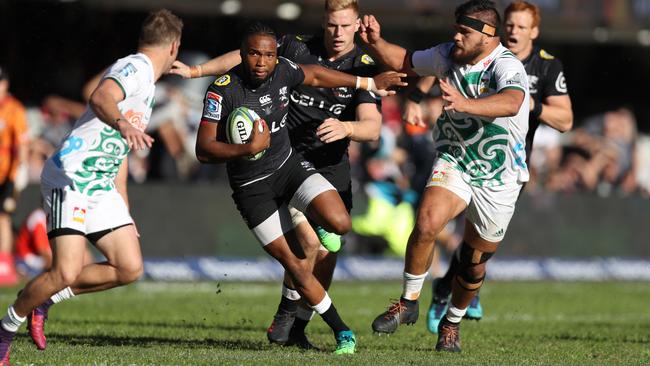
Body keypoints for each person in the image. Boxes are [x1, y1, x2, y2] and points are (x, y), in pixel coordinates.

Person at [172, 0, 387, 349]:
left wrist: (360, 101)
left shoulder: (346, 65)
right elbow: (203, 149)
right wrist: (199, 74)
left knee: (338, 228)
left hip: (303, 165)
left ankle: (293, 313)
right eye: (333, 24)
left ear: (357, 25)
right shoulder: (238, 80)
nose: (338, 32)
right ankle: (325, 327)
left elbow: (369, 124)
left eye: (346, 26)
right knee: (303, 255)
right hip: (257, 182)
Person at [0, 9, 183, 363]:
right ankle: (7, 326)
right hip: (72, 174)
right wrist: (124, 125)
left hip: (100, 183)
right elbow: (100, 97)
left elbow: (119, 151)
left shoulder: (145, 80)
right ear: (174, 46)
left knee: (129, 267)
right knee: (65, 270)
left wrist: (124, 209)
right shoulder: (138, 68)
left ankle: (46, 299)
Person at [359, 0, 529, 352]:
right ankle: (408, 302)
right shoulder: (447, 54)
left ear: (487, 34)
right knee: (426, 222)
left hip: (499, 176)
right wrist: (376, 42)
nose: (456, 36)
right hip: (456, 160)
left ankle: (451, 324)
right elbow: (406, 60)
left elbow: (512, 102)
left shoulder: (506, 65)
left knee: (473, 265)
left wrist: (464, 104)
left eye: (464, 31)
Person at [421, 0, 573, 334]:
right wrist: (420, 101)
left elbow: (565, 120)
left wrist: (530, 105)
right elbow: (431, 74)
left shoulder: (546, 67)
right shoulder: (473, 57)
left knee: (477, 244)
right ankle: (457, 293)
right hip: (460, 155)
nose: (514, 32)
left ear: (534, 31)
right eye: (510, 26)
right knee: (443, 222)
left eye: (521, 27)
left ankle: (451, 286)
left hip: (504, 166)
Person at [0, 66, 29, 286]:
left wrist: (18, 173)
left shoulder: (14, 109)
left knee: (3, 218)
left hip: (6, 174)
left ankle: (4, 264)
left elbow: (21, 145)